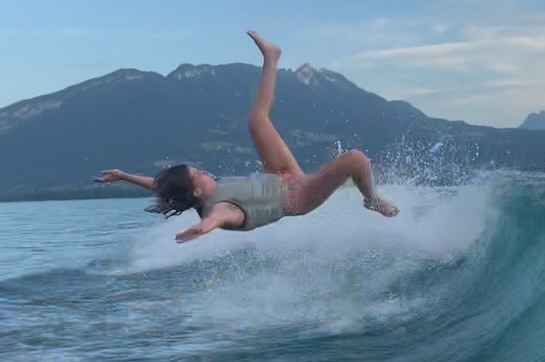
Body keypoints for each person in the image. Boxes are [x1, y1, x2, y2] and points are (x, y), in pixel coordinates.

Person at [94, 32, 398, 242]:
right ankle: (371, 199)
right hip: (299, 196)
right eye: (199, 175)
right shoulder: (218, 209)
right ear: (197, 194)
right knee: (356, 159)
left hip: (278, 175)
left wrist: (124, 176)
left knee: (256, 120)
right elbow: (220, 218)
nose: (204, 171)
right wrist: (203, 228)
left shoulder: (193, 192)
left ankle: (271, 58)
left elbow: (160, 186)